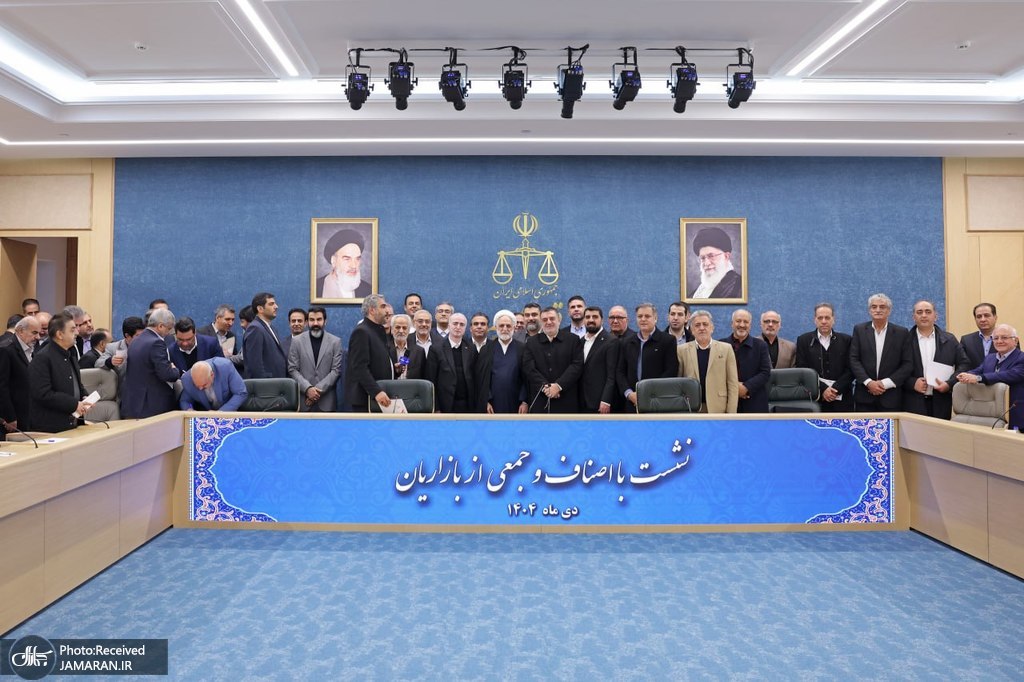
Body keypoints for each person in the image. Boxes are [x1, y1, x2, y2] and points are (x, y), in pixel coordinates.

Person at [903, 299, 970, 420]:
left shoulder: (949, 340)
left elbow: (964, 364)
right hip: (912, 402)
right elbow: (894, 368)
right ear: (913, 317)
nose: (924, 315)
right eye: (919, 312)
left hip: (941, 401)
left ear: (935, 316)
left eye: (928, 312)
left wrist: (949, 383)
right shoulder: (904, 340)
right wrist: (912, 383)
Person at [28, 312, 91, 432]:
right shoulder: (43, 358)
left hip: (73, 423)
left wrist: (85, 396)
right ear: (60, 334)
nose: (77, 333)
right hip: (51, 427)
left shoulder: (70, 353)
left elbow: (76, 383)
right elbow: (43, 393)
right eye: (72, 330)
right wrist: (74, 404)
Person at [850, 293, 912, 412]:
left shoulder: (901, 333)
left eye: (882, 307)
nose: (878, 310)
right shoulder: (859, 330)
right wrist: (868, 382)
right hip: (864, 396)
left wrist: (885, 383)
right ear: (869, 310)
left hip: (891, 396)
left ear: (889, 311)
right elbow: (854, 359)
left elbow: (907, 364)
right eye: (874, 307)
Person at [957, 324, 1024, 431]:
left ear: (1015, 341)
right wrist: (965, 375)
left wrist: (979, 378)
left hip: (1015, 414)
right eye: (996, 338)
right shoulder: (990, 358)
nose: (999, 341)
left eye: (1004, 337)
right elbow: (978, 370)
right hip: (990, 415)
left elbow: (1008, 375)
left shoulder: (1021, 358)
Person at [121, 308, 181, 419]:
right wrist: (175, 370)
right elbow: (166, 374)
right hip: (152, 405)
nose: (169, 333)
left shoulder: (135, 341)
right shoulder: (156, 343)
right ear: (160, 326)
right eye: (169, 329)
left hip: (134, 403)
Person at [617, 303, 679, 410]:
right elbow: (620, 372)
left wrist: (651, 392)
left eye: (647, 316)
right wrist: (629, 393)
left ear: (655, 318)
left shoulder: (668, 340)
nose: (643, 319)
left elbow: (671, 370)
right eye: (640, 316)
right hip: (632, 401)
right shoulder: (627, 342)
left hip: (657, 400)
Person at [522, 307, 583, 413]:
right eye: (545, 320)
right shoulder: (531, 342)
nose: (549, 322)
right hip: (540, 399)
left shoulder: (573, 340)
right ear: (541, 322)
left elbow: (577, 366)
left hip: (566, 399)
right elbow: (529, 368)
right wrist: (545, 387)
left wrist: (558, 386)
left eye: (552, 318)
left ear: (559, 320)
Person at [795, 303, 854, 412]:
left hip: (843, 399)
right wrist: (823, 389)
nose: (823, 321)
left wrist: (835, 389)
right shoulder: (803, 340)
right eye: (820, 318)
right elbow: (802, 369)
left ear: (833, 319)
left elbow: (851, 369)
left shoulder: (846, 340)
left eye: (827, 318)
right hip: (815, 399)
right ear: (815, 320)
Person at [678, 310, 738, 413]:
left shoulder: (726, 349)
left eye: (705, 324)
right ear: (692, 330)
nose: (702, 328)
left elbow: (732, 384)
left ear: (712, 328)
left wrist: (731, 413)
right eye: (697, 325)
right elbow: (678, 382)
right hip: (690, 408)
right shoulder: (681, 350)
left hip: (718, 408)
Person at [288, 307, 344, 412]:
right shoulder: (296, 341)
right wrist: (308, 389)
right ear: (307, 322)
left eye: (319, 319)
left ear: (325, 321)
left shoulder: (335, 342)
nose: (315, 323)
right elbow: (293, 369)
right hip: (303, 401)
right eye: (312, 320)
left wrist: (316, 392)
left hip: (327, 402)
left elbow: (336, 370)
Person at [345, 294, 393, 411]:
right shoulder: (362, 332)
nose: (387, 311)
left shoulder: (378, 330)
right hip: (366, 399)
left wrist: (393, 368)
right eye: (383, 306)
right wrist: (376, 392)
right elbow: (359, 367)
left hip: (379, 397)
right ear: (372, 310)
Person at [475, 310, 527, 414]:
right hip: (493, 404)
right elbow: (481, 379)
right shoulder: (486, 349)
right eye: (501, 325)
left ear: (514, 327)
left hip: (517, 403)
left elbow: (527, 378)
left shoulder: (522, 349)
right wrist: (486, 401)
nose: (505, 329)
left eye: (508, 326)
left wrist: (525, 401)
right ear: (496, 327)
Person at [722, 309, 772, 413]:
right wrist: (735, 388)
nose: (742, 325)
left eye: (746, 322)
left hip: (755, 402)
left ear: (750, 325)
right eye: (738, 321)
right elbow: (716, 374)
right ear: (732, 324)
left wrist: (746, 387)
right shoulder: (721, 345)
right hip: (726, 401)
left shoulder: (760, 345)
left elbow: (765, 372)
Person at [427, 312, 477, 413]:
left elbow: (475, 376)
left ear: (466, 328)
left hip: (468, 404)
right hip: (445, 404)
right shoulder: (436, 349)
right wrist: (436, 408)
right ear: (449, 325)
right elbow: (431, 380)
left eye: (462, 324)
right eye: (455, 323)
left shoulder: (471, 348)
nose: (458, 327)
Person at [0, 315, 42, 435]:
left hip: (31, 414)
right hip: (14, 417)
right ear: (20, 331)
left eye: (39, 333)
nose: (38, 337)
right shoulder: (6, 350)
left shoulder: (33, 349)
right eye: (34, 333)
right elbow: (2, 387)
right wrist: (9, 417)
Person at [579, 306, 618, 414]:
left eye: (595, 317)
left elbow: (612, 375)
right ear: (584, 320)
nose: (591, 320)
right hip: (581, 401)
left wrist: (606, 400)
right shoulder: (581, 341)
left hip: (600, 403)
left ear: (602, 320)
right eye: (587, 317)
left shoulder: (611, 341)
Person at [316, 229, 371, 298]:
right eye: (347, 259)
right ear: (333, 260)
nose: (354, 266)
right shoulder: (316, 288)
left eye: (357, 259)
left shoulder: (368, 290)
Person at [689, 226, 742, 299]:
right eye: (702, 258)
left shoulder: (739, 286)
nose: (706, 263)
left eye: (711, 256)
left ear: (726, 256)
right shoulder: (698, 291)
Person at [243, 292, 287, 379]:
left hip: (277, 381)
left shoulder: (272, 328)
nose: (276, 306)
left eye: (275, 303)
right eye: (271, 304)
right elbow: (255, 365)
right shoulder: (255, 328)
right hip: (266, 384)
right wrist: (264, 385)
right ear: (260, 309)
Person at [179, 358, 248, 412]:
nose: (200, 388)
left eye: (204, 385)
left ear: (212, 375)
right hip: (206, 417)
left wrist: (221, 412)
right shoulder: (187, 379)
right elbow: (185, 401)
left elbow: (241, 393)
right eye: (197, 386)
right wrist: (190, 410)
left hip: (230, 412)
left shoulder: (225, 367)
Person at [388, 313, 426, 381]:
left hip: (412, 387)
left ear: (409, 331)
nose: (401, 331)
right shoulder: (384, 349)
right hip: (391, 386)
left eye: (404, 328)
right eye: (397, 327)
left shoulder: (419, 351)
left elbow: (423, 375)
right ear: (392, 329)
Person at [960, 303, 998, 369]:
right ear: (975, 319)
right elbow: (963, 365)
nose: (983, 319)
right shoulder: (966, 340)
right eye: (979, 316)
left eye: (987, 315)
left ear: (995, 317)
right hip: (972, 375)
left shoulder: (1008, 339)